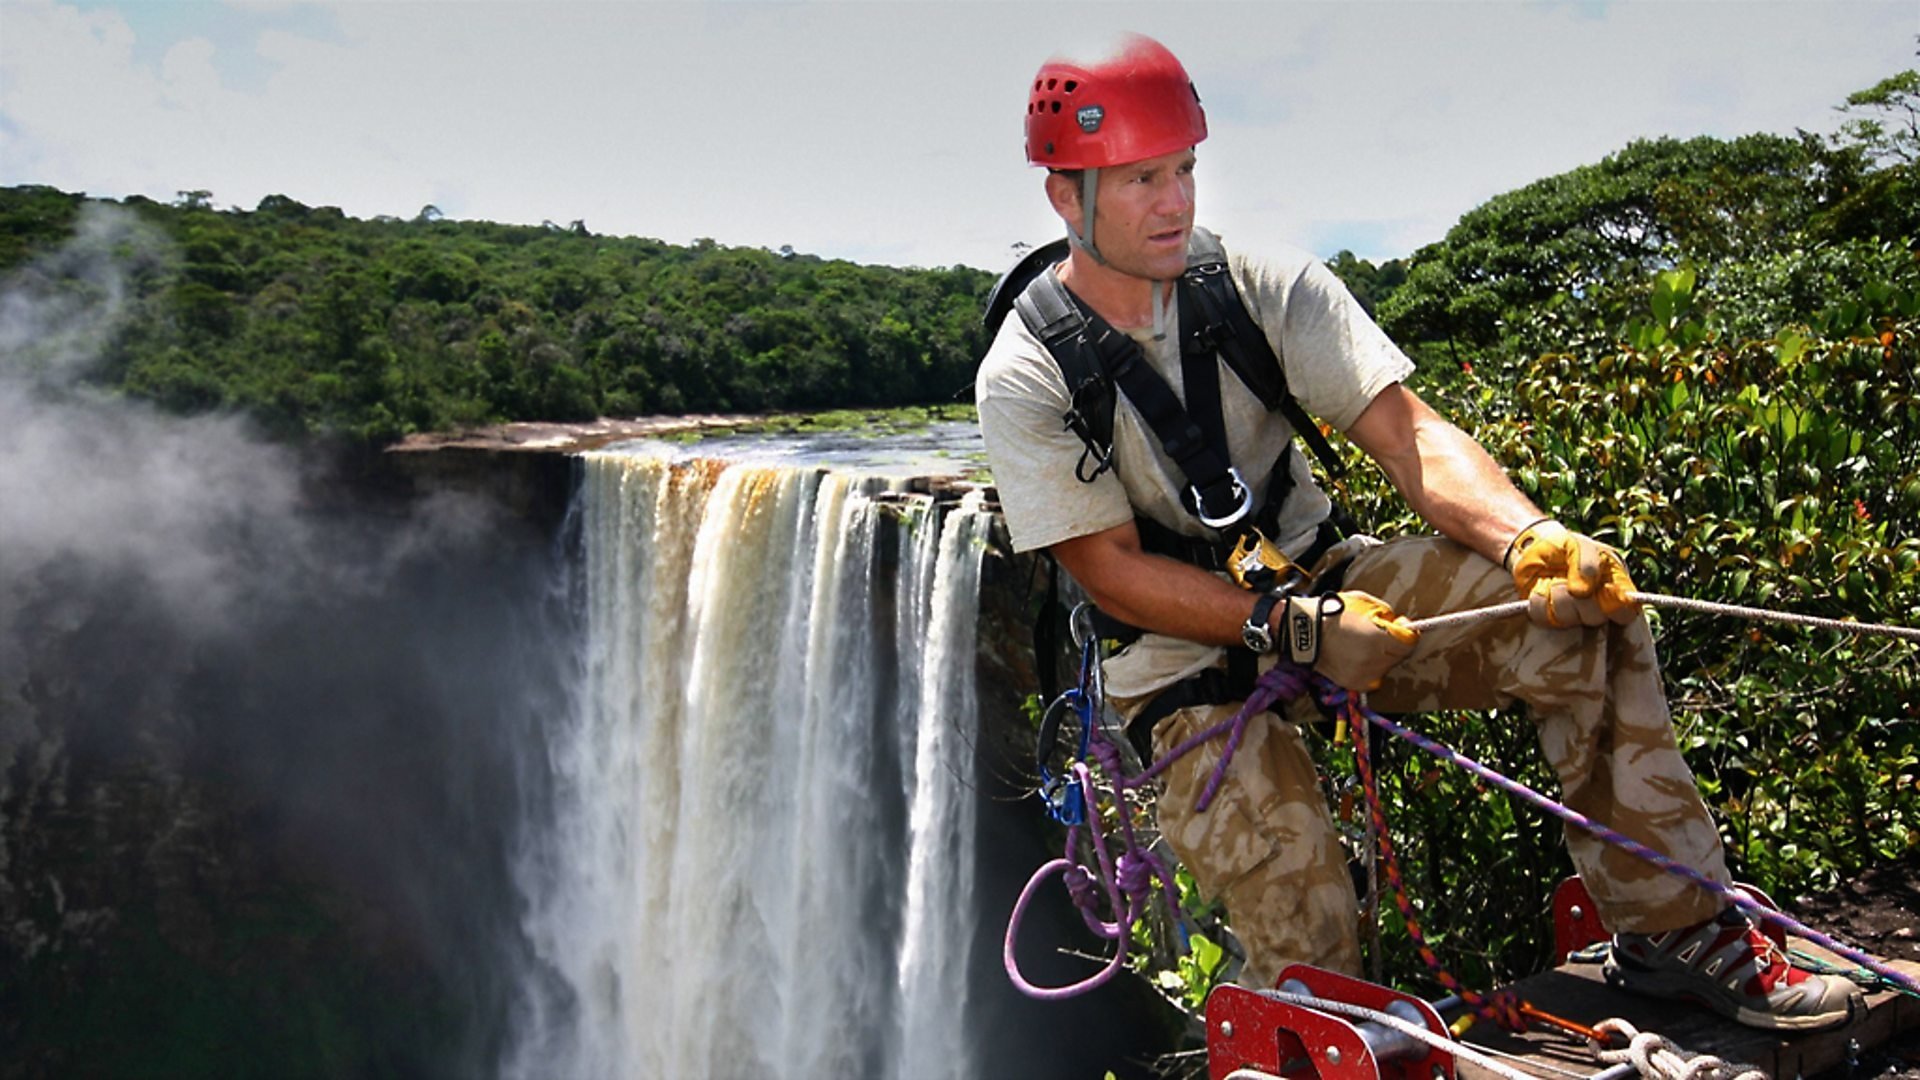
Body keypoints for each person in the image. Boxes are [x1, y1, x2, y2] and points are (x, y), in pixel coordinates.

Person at [976, 31, 1861, 1031]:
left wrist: (1531, 537)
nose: (1176, 202)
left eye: (1183, 169)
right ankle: (1312, 1035)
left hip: (1331, 579)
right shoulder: (1029, 372)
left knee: (1576, 619)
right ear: (1066, 197)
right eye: (1140, 180)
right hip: (1178, 662)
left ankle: (1672, 930)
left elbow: (1413, 443)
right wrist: (1295, 629)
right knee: (1299, 899)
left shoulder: (1262, 288)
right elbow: (1111, 573)